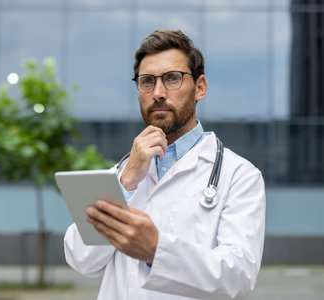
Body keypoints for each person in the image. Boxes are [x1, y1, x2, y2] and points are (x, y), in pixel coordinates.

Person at [64, 29, 266, 300]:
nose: (158, 93)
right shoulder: (122, 175)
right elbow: (82, 259)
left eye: (172, 79)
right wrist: (125, 184)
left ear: (200, 87)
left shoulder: (240, 176)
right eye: (147, 81)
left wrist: (156, 250)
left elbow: (238, 276)